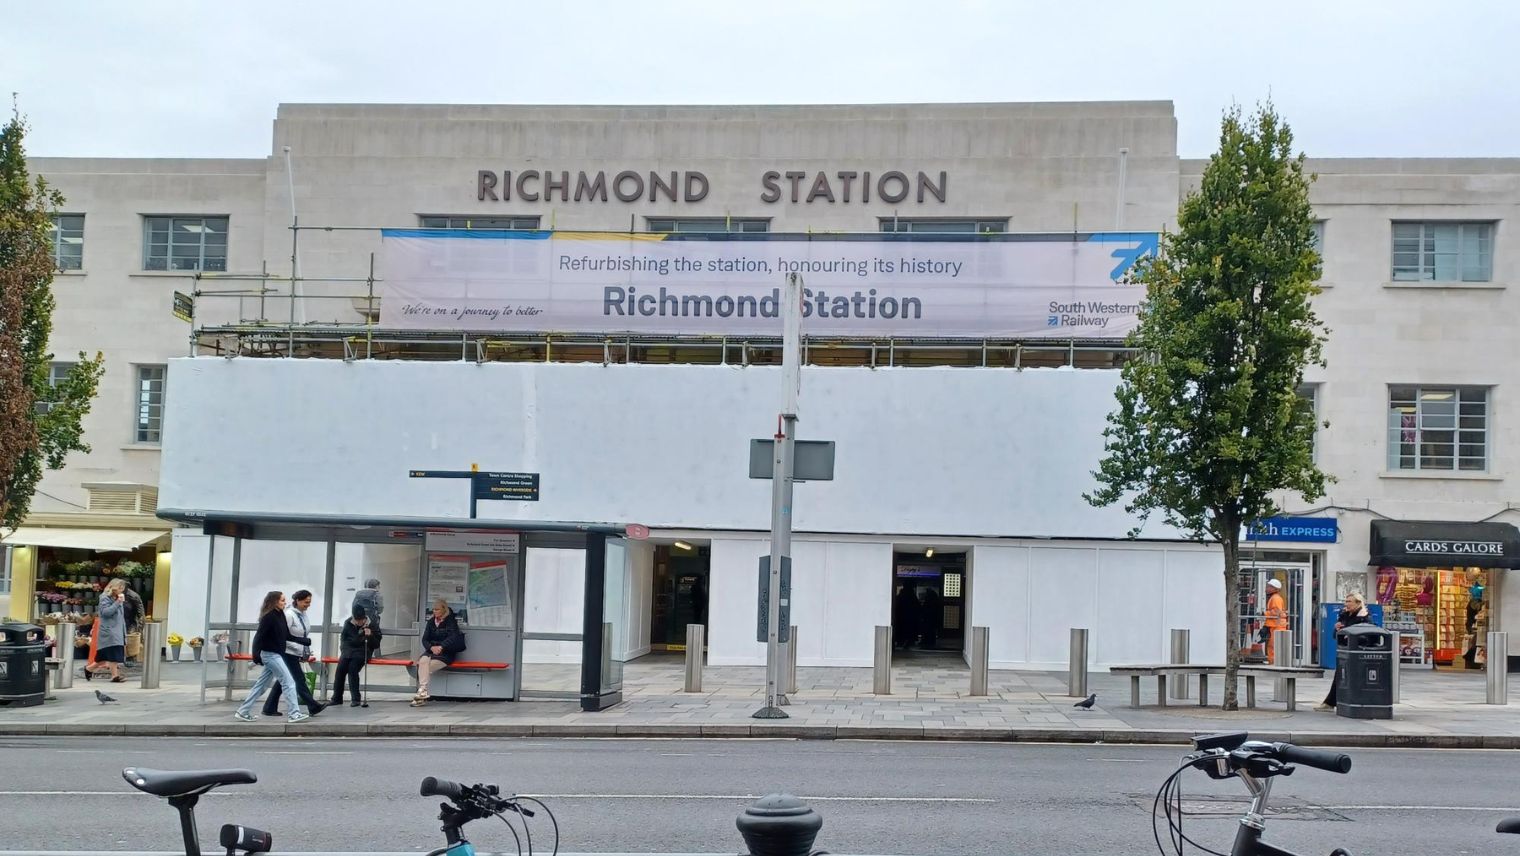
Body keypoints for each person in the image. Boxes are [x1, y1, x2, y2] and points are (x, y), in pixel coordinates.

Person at [235, 591, 311, 723]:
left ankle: (243, 711)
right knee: (289, 682)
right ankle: (294, 713)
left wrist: (303, 641)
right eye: (282, 600)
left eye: (284, 600)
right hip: (270, 655)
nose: (285, 602)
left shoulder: (280, 614)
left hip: (276, 655)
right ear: (275, 601)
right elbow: (258, 637)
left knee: (261, 686)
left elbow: (286, 635)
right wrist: (256, 655)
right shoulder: (268, 617)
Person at [263, 589, 326, 717]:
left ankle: (269, 707)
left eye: (309, 602)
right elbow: (283, 635)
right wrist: (298, 647)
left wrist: (303, 650)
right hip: (287, 652)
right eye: (306, 602)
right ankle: (313, 706)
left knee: (283, 680)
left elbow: (302, 633)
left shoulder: (302, 614)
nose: (308, 604)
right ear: (297, 601)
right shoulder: (289, 615)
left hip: (295, 652)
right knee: (299, 679)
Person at [1316, 591, 1371, 711]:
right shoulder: (1344, 615)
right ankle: (1331, 703)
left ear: (1358, 603)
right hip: (1345, 650)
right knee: (1341, 676)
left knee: (1349, 677)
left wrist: (1348, 633)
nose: (1346, 604)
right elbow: (1336, 635)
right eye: (1346, 601)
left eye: (1349, 601)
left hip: (1359, 652)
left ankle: (1333, 703)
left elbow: (1368, 636)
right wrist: (1337, 629)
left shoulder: (1364, 616)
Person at [411, 599, 466, 707]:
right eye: (433, 609)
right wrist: (431, 648)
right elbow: (424, 639)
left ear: (443, 610)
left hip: (445, 653)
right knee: (422, 662)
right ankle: (422, 691)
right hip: (430, 651)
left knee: (425, 667)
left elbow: (453, 637)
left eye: (437, 609)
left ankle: (421, 692)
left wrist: (441, 646)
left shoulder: (450, 621)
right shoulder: (431, 622)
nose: (434, 612)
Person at [330, 604, 382, 707]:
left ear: (364, 617)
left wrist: (370, 635)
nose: (359, 622)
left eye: (361, 620)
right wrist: (344, 650)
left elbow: (376, 644)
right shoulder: (348, 623)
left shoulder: (372, 624)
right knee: (340, 670)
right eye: (357, 620)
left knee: (352, 669)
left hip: (363, 651)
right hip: (348, 651)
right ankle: (336, 698)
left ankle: (356, 698)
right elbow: (343, 639)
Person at [86, 579, 129, 682]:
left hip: (117, 630)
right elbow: (105, 612)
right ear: (113, 587)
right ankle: (115, 676)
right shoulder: (105, 598)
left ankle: (89, 669)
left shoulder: (117, 598)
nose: (121, 590)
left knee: (104, 656)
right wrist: (118, 602)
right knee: (113, 654)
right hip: (109, 631)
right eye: (120, 588)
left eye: (122, 588)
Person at [1263, 579, 1288, 663]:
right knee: (1273, 646)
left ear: (1274, 588)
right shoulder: (1274, 598)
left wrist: (1264, 613)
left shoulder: (1275, 598)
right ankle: (1273, 662)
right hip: (1275, 625)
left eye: (1269, 587)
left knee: (1273, 646)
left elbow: (1276, 612)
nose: (1266, 588)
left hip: (1277, 625)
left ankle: (1274, 663)